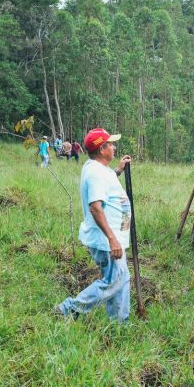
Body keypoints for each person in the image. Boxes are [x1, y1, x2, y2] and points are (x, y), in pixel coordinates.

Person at [55, 128, 133, 322]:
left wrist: (118, 170)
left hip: (111, 238)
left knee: (121, 280)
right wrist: (112, 239)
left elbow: (106, 184)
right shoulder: (96, 174)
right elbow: (95, 208)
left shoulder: (99, 169)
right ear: (101, 149)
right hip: (106, 240)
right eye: (110, 144)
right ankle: (69, 308)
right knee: (113, 280)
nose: (114, 147)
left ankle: (119, 322)